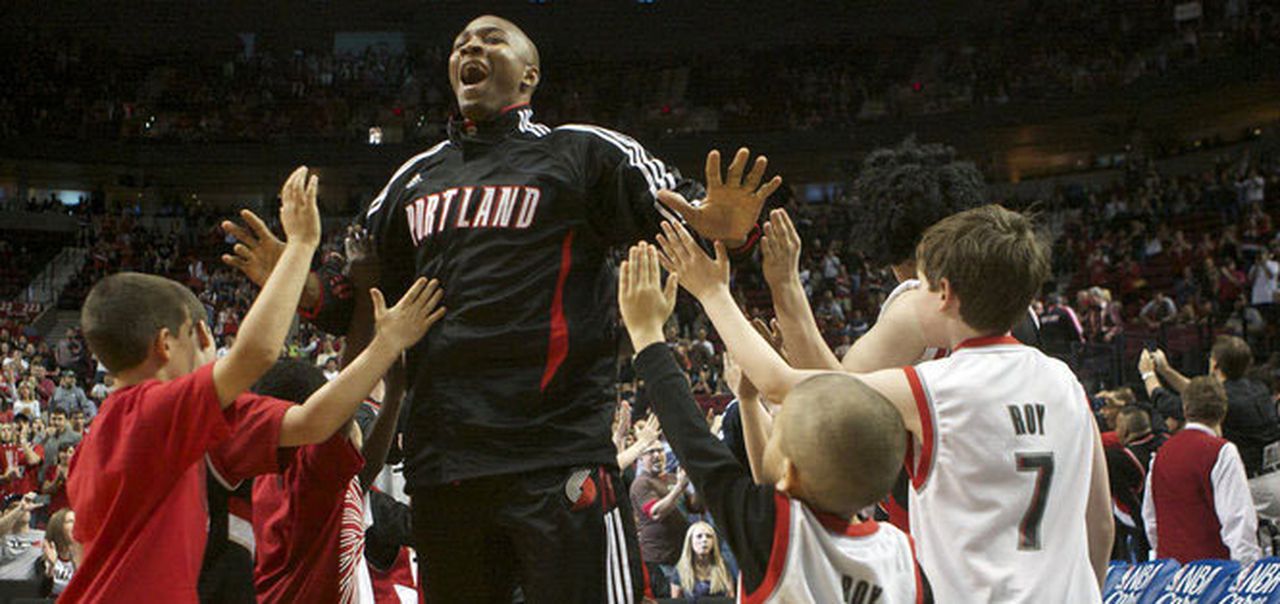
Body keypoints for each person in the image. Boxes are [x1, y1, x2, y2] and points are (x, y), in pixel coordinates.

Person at [220, 15, 779, 603]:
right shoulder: (413, 178)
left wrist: (723, 228)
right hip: (446, 463)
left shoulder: (580, 150)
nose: (471, 48)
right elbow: (359, 296)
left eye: (490, 40)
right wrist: (304, 286)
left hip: (557, 454)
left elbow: (678, 212)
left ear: (528, 75)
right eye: (462, 44)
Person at [658, 206, 1111, 601]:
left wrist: (712, 292)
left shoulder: (934, 388)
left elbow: (782, 385)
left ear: (946, 295)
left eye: (922, 287)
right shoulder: (1065, 381)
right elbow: (1101, 526)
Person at [62, 167, 445, 603]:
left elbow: (316, 419)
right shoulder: (153, 411)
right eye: (199, 334)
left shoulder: (103, 444)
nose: (210, 346)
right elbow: (257, 354)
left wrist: (380, 350)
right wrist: (300, 247)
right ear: (165, 345)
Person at [617, 243, 930, 603]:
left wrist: (648, 338)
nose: (773, 427)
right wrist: (750, 401)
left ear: (790, 474)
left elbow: (694, 441)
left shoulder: (774, 529)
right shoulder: (905, 557)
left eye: (778, 429)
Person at [1142, 377, 1261, 564]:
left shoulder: (1159, 456)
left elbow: (1150, 519)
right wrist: (1248, 571)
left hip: (1171, 573)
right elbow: (1238, 520)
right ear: (1223, 411)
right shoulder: (1222, 452)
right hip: (1213, 575)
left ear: (1185, 409)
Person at [630, 441, 691, 597]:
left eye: (660, 450)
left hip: (683, 555)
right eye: (651, 452)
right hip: (659, 559)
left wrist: (697, 481)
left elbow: (694, 506)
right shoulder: (641, 483)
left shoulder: (672, 478)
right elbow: (656, 512)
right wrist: (679, 487)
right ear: (641, 458)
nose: (657, 455)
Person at [670, 521, 734, 600]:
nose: (704, 540)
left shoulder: (723, 567)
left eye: (709, 536)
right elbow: (675, 602)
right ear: (690, 541)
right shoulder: (679, 570)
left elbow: (731, 599)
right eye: (699, 536)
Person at [42, 507, 78, 596]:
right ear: (58, 527)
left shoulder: (85, 556)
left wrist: (78, 565)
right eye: (70, 521)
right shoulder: (44, 559)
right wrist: (51, 566)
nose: (76, 525)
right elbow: (42, 593)